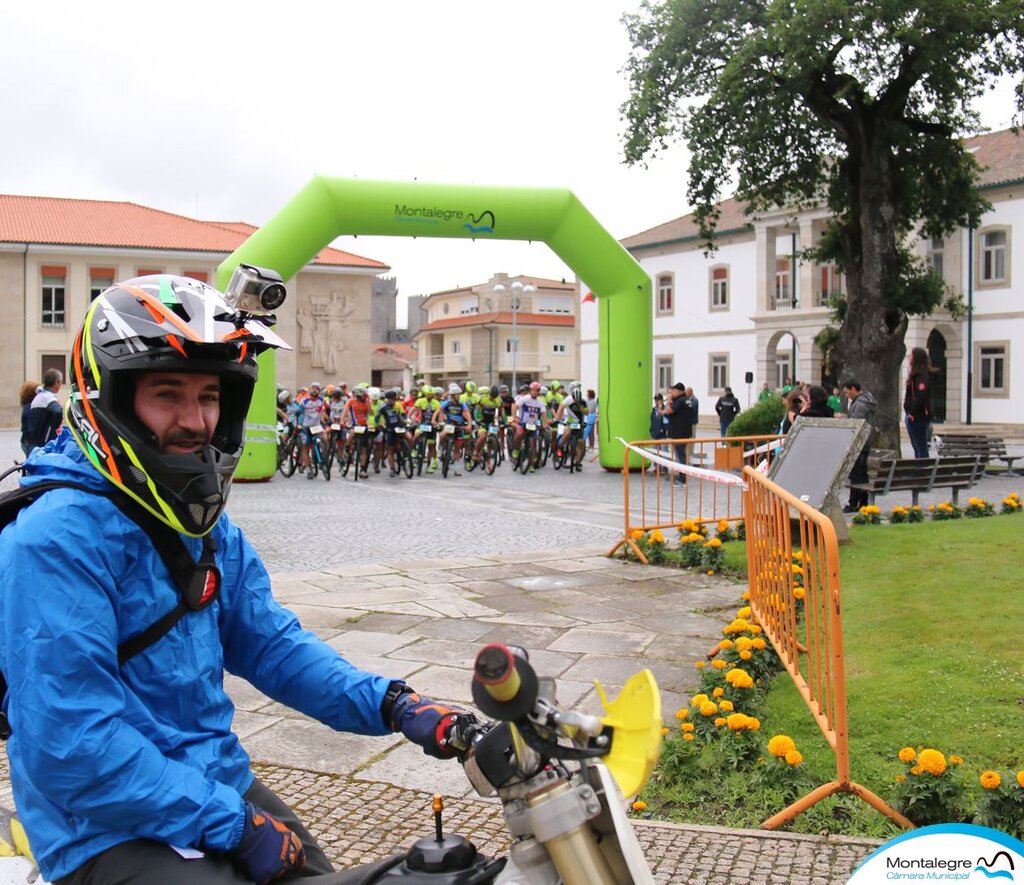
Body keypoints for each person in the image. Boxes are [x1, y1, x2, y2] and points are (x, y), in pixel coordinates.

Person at [0, 275, 475, 885]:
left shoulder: (199, 523)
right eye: (167, 393)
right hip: (100, 824)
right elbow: (72, 744)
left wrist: (397, 706)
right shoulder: (57, 537)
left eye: (210, 396)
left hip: (212, 779)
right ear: (111, 398)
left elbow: (271, 643)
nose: (195, 421)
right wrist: (235, 824)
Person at [842, 379, 878, 513]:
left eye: (847, 392)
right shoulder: (866, 402)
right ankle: (863, 502)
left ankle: (853, 502)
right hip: (866, 443)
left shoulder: (860, 404)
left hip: (859, 443)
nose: (847, 395)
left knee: (856, 474)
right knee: (862, 474)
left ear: (853, 389)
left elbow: (855, 424)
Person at [904, 346, 937, 458]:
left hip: (918, 416)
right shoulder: (915, 375)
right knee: (916, 445)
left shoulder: (922, 376)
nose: (909, 359)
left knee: (920, 446)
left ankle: (922, 469)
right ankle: (919, 468)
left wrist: (912, 413)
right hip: (913, 415)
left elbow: (920, 396)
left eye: (911, 356)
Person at [661, 382, 695, 484]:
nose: (672, 393)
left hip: (679, 433)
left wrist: (669, 401)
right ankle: (680, 475)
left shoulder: (680, 401)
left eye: (674, 391)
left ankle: (682, 478)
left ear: (679, 391)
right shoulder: (685, 400)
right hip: (682, 432)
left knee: (680, 456)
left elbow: (667, 411)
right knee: (680, 455)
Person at [24, 368, 64, 453]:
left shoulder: (39, 396)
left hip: (34, 442)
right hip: (45, 443)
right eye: (60, 382)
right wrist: (55, 427)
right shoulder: (48, 398)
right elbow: (58, 411)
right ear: (56, 382)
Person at [17, 381, 39, 458]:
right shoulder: (31, 407)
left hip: (26, 441)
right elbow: (31, 429)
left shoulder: (27, 406)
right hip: (29, 442)